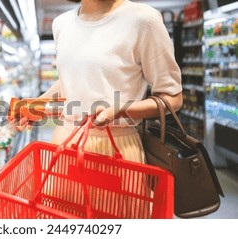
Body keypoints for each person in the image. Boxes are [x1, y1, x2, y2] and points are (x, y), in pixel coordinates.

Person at [14, 0, 183, 218]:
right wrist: (37, 105)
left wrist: (121, 110)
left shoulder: (144, 19)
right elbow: (69, 80)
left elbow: (173, 98)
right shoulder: (61, 24)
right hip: (66, 143)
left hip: (117, 148)